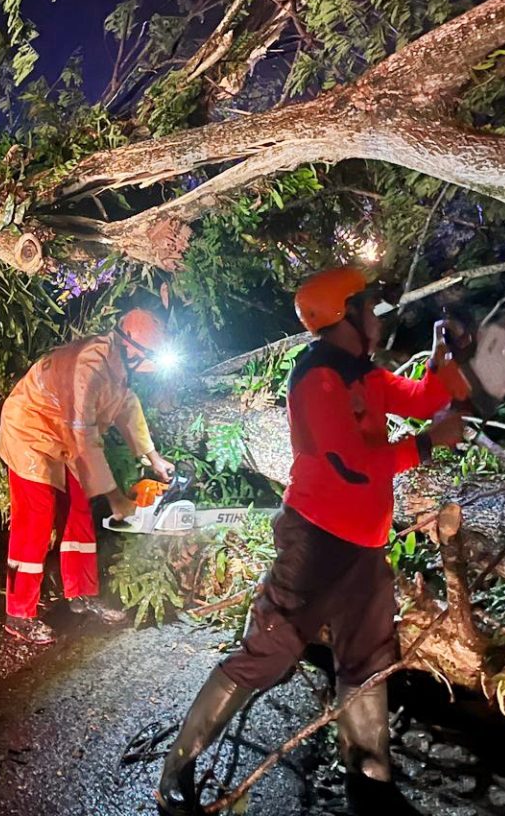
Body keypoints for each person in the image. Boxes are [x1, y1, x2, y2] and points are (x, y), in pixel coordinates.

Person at [157, 268, 465, 815]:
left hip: (366, 547)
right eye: (369, 307)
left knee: (366, 663)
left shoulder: (362, 374)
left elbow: (422, 399)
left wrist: (443, 354)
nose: (377, 317)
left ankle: (371, 785)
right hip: (315, 541)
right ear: (346, 314)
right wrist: (422, 447)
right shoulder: (318, 377)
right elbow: (349, 464)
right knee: (268, 653)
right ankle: (176, 772)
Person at [0, 308, 177, 644]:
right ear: (134, 349)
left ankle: (80, 594)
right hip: (31, 430)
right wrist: (115, 498)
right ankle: (18, 615)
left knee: (78, 511)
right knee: (35, 519)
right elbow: (85, 439)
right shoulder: (90, 366)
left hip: (63, 435)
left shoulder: (117, 361)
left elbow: (126, 405)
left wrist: (153, 457)